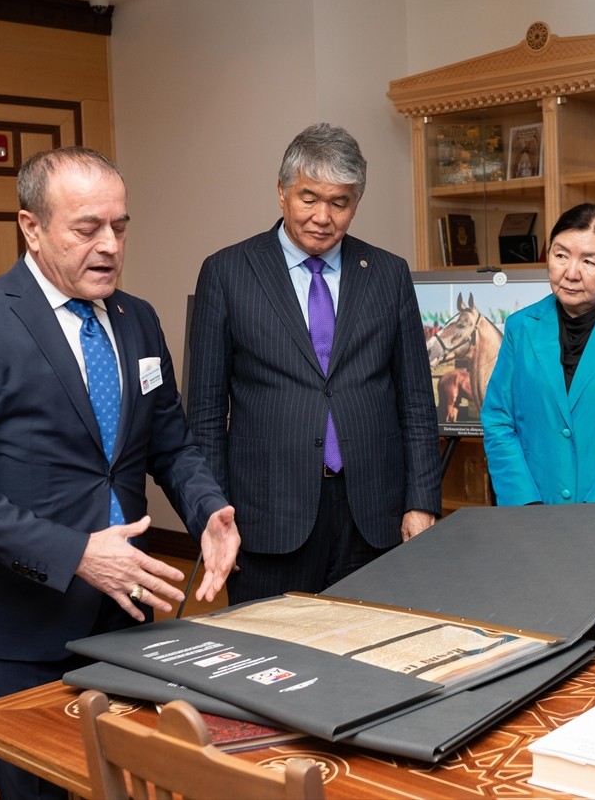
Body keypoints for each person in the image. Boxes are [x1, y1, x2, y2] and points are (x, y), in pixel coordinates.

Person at [0, 146, 240, 799]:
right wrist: (75, 554)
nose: (110, 244)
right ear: (31, 227)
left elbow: (169, 439)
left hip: (126, 618)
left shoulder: (137, 318)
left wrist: (208, 510)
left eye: (120, 226)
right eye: (87, 227)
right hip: (17, 630)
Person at [188, 123, 442, 603]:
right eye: (309, 197)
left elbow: (415, 401)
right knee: (268, 663)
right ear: (281, 192)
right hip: (267, 518)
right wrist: (213, 514)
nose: (322, 216)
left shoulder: (388, 274)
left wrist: (421, 502)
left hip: (373, 518)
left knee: (372, 656)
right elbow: (203, 413)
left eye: (339, 202)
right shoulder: (226, 273)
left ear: (356, 203)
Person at [481, 203, 595, 506]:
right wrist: (524, 503)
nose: (570, 273)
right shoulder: (521, 327)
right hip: (533, 510)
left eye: (590, 262)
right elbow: (498, 420)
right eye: (560, 255)